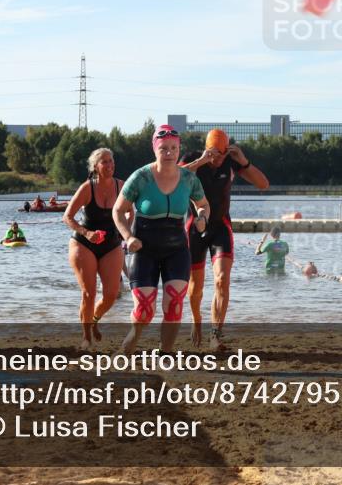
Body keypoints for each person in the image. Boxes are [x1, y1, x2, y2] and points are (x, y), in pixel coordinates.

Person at [113, 126, 210, 354]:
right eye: (164, 148)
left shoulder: (188, 178)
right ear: (155, 149)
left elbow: (203, 204)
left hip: (176, 249)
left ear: (179, 150)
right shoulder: (141, 177)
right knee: (144, 310)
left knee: (174, 304)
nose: (169, 153)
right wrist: (128, 237)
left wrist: (202, 217)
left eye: (174, 148)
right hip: (143, 248)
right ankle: (127, 348)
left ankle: (165, 353)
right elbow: (118, 210)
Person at [180, 128, 270, 350]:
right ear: (206, 149)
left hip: (220, 226)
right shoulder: (192, 159)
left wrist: (245, 162)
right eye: (214, 154)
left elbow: (263, 184)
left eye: (222, 154)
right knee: (195, 287)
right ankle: (195, 319)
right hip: (195, 227)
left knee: (221, 279)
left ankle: (215, 334)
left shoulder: (230, 161)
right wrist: (202, 161)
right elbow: (173, 178)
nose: (218, 160)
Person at [62, 148, 125, 350]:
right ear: (96, 167)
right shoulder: (87, 188)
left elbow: (130, 211)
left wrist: (126, 231)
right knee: (88, 293)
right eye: (104, 162)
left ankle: (95, 319)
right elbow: (67, 217)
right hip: (84, 243)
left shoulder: (121, 186)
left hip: (111, 244)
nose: (109, 165)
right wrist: (86, 233)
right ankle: (86, 337)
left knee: (111, 294)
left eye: (111, 161)